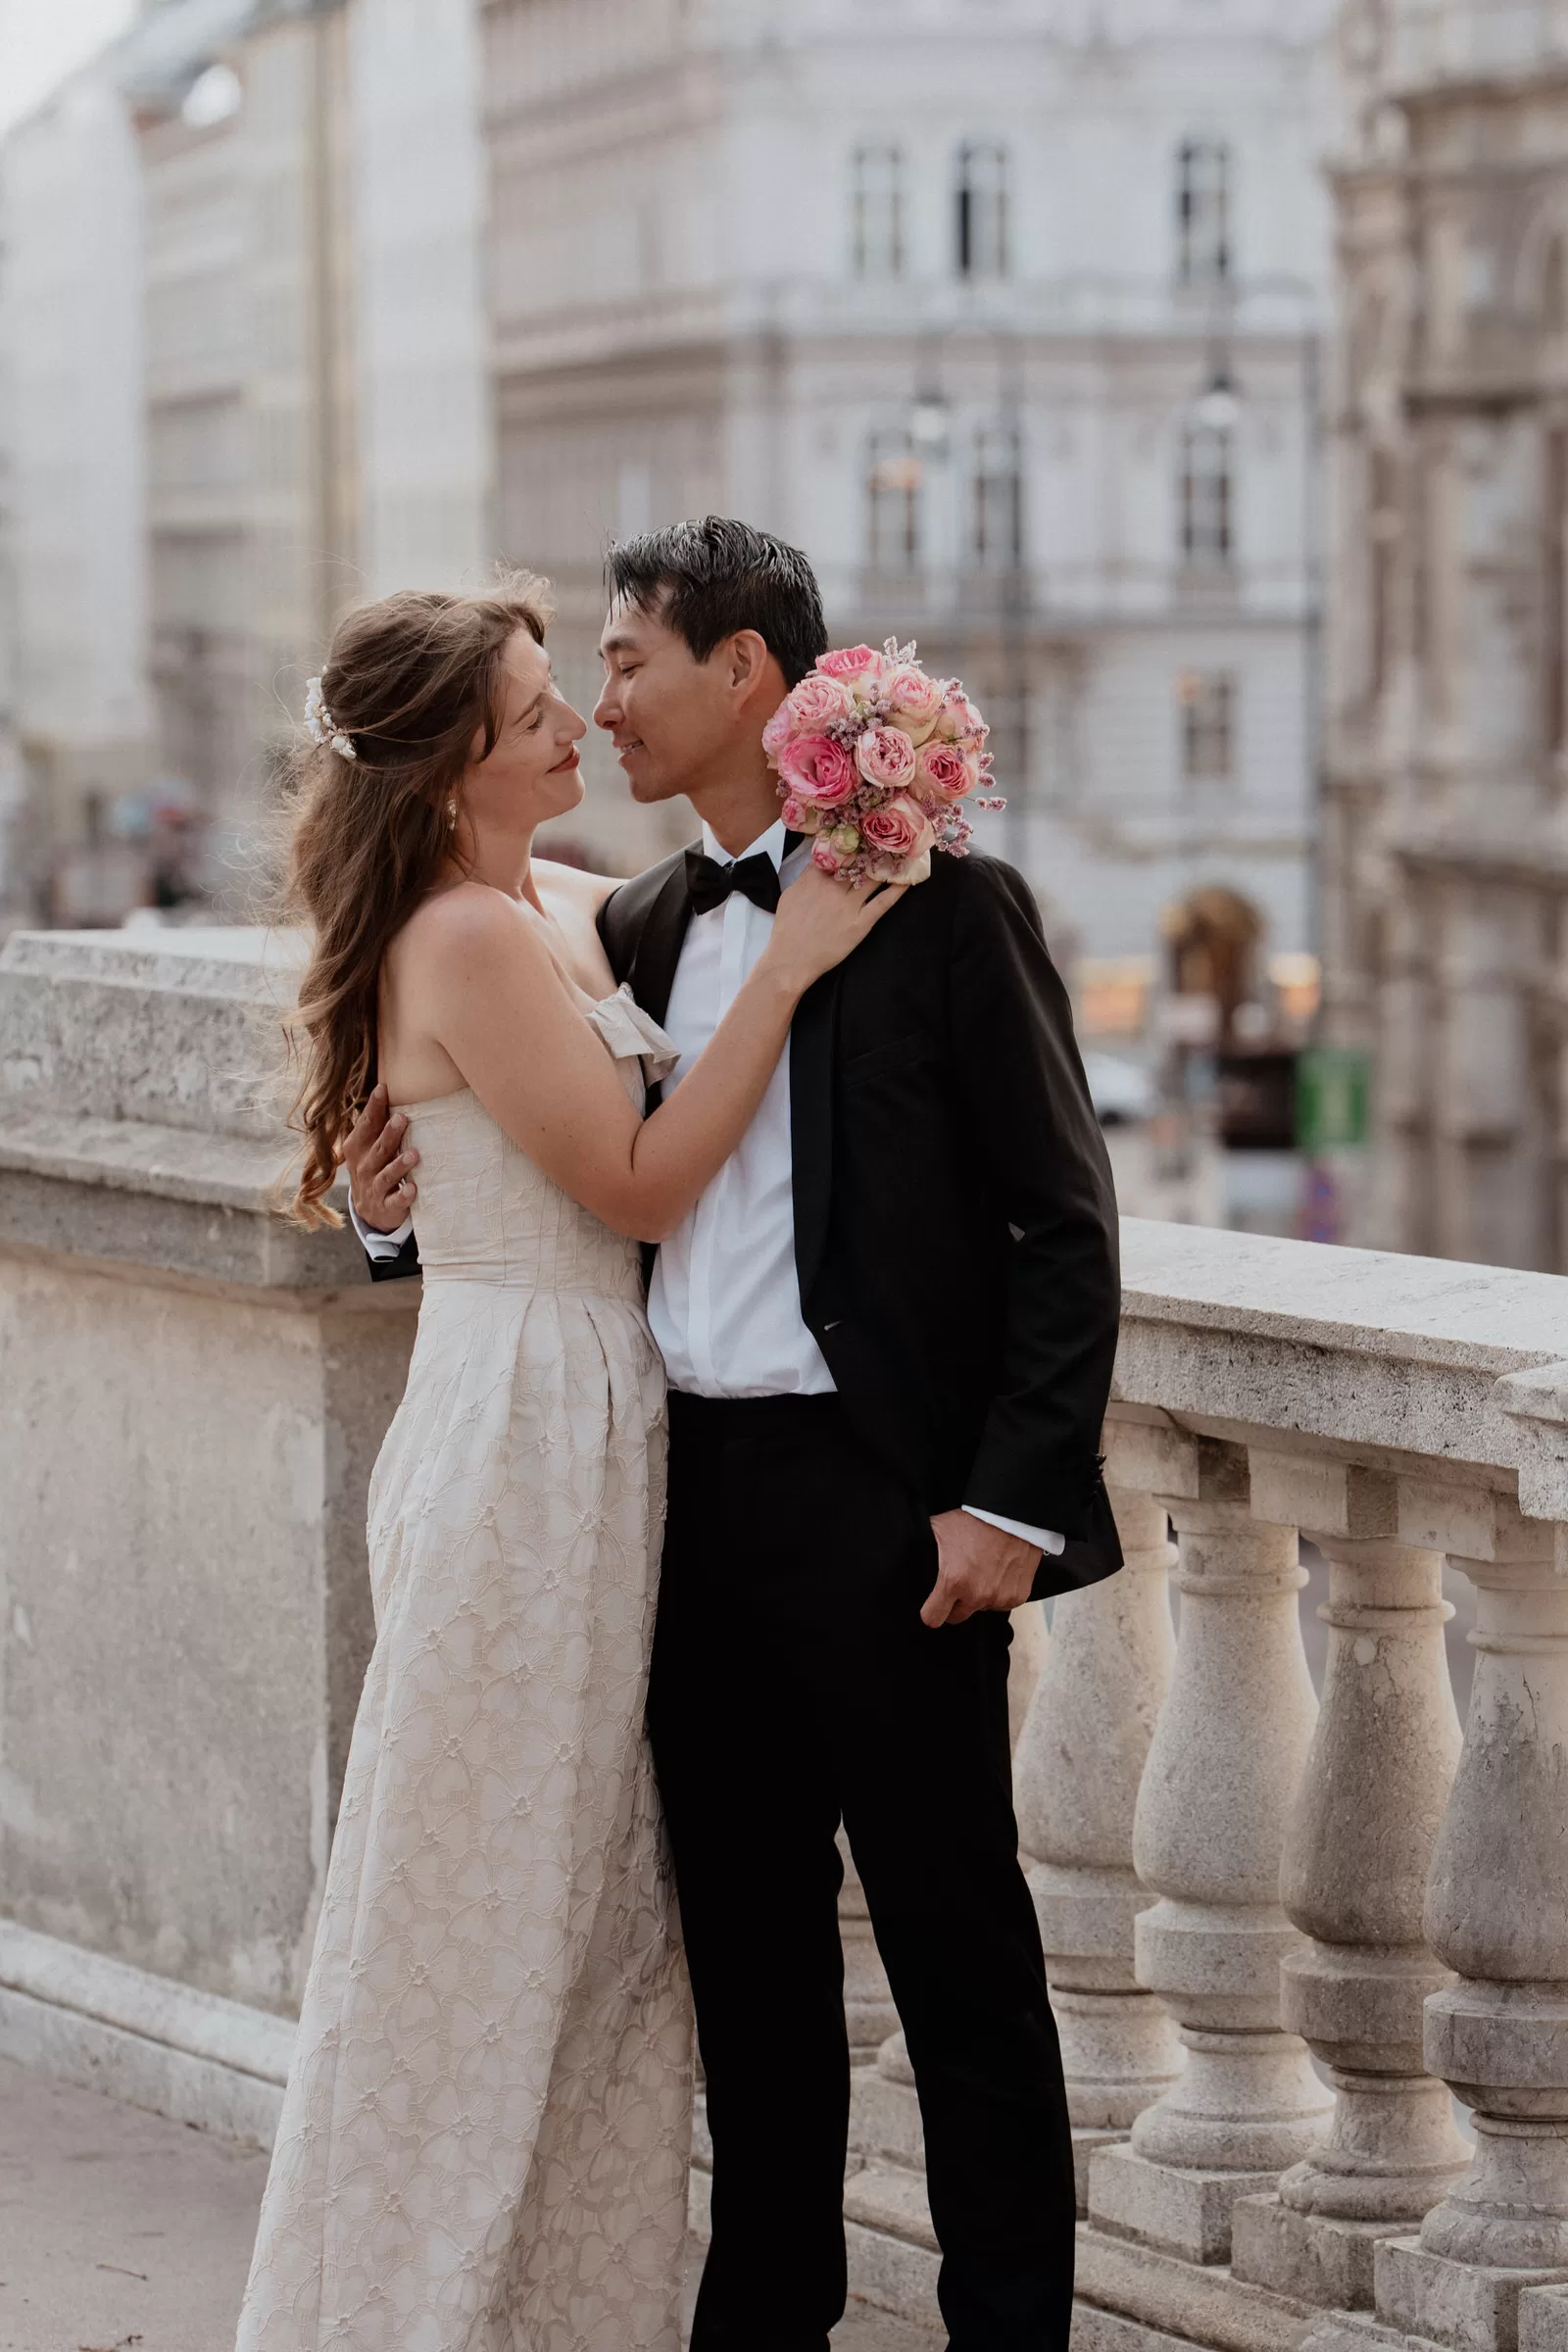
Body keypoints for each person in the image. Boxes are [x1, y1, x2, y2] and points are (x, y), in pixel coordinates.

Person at [349, 519, 1124, 2352]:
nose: (602, 706)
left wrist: (1004, 1501)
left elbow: (1066, 1226)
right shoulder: (618, 923)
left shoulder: (951, 911)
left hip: (890, 1513)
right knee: (749, 1990)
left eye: (625, 664)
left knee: (964, 1969)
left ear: (747, 675)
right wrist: (391, 1212)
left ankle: (1008, 2333)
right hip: (680, 1513)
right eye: (580, 682)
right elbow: (521, 1165)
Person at [236, 573, 903, 2352]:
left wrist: (868, 799)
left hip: (598, 1429)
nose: (576, 723)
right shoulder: (463, 937)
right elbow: (629, 1184)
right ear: (460, 755)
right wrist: (793, 967)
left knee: (592, 1917)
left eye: (576, 685)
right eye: (538, 702)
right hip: (521, 1443)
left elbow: (728, 899)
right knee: (479, 1908)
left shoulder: (547, 904)